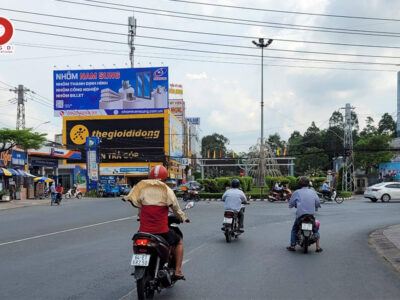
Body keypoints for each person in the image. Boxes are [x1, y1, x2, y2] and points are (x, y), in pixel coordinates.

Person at [123, 165, 190, 280]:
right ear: (165, 177)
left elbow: (140, 208)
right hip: (161, 231)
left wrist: (141, 216)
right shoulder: (167, 190)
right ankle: (178, 270)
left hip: (143, 231)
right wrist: (184, 218)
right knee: (178, 241)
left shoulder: (142, 188)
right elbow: (176, 209)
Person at [287, 176, 322, 252]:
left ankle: (292, 246)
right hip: (310, 216)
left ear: (300, 184)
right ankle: (318, 247)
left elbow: (291, 204)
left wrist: (293, 205)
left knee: (294, 229)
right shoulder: (313, 192)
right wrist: (316, 206)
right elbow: (318, 203)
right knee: (315, 230)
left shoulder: (297, 192)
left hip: (300, 216)